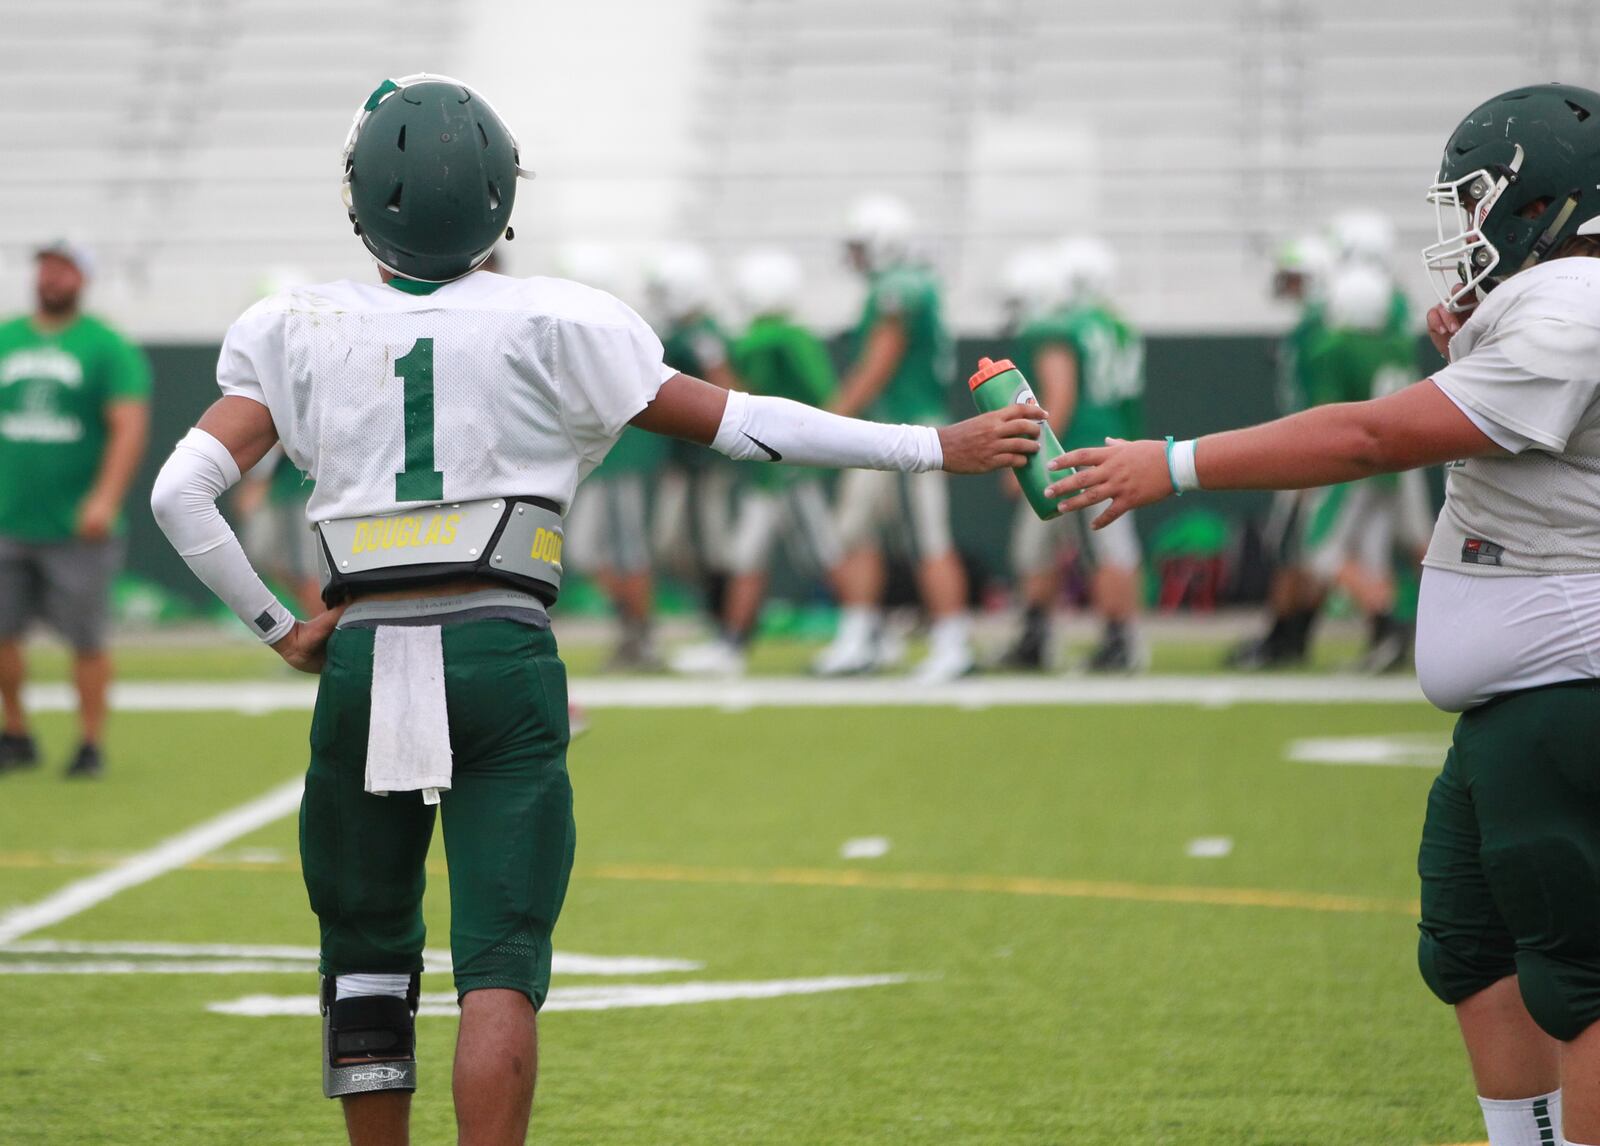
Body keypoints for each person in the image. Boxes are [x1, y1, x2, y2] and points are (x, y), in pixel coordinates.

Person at [148, 73, 1042, 1146]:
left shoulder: (293, 326)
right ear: (498, 199)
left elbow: (179, 493)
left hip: (368, 654)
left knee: (367, 956)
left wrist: (280, 629)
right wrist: (933, 447)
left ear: (357, 197)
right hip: (502, 648)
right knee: (500, 967)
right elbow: (748, 425)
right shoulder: (560, 316)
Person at [1043, 82, 1600, 1146]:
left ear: (1544, 202)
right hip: (1514, 692)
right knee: (1471, 950)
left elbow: (1368, 440)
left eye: (1480, 199)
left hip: (1565, 683)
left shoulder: (1576, 302)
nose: (1467, 226)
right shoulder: (1557, 303)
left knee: (1581, 978)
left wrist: (1173, 463)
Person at [0, 240, 151, 779]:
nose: (51, 277)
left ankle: (90, 742)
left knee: (87, 637)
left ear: (82, 278)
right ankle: (14, 730)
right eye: (45, 266)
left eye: (63, 268)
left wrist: (106, 498)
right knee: (4, 632)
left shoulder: (105, 345)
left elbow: (128, 425)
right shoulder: (7, 337)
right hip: (8, 515)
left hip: (77, 524)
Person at [816, 194, 975, 682]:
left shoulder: (899, 286)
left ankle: (952, 643)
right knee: (857, 534)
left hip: (907, 430)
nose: (855, 255)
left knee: (928, 539)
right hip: (885, 428)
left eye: (862, 245)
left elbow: (878, 364)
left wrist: (828, 419)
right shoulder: (906, 282)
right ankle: (862, 635)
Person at [671, 248, 844, 676]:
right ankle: (731, 644)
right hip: (769, 472)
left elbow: (746, 398)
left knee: (826, 554)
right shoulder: (780, 337)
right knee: (749, 558)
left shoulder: (779, 338)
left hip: (789, 470)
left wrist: (716, 362)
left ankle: (866, 628)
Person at [1001, 236, 1149, 672]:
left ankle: (1121, 641)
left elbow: (1057, 397)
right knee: (1043, 547)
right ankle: (1037, 637)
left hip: (1074, 450)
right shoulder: (1115, 325)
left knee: (1100, 549)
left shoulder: (1060, 328)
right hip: (1112, 440)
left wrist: (1023, 455)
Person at [1226, 233, 1334, 669]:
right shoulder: (1320, 326)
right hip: (1317, 446)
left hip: (1311, 449)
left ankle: (1284, 635)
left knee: (1295, 548)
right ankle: (1293, 635)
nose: (1290, 288)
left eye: (1297, 279)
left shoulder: (1321, 332)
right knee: (1306, 549)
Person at [643, 244, 741, 630]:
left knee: (716, 544)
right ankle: (715, 619)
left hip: (707, 457)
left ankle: (726, 627)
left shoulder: (703, 336)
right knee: (674, 544)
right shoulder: (686, 332)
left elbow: (728, 390)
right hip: (684, 458)